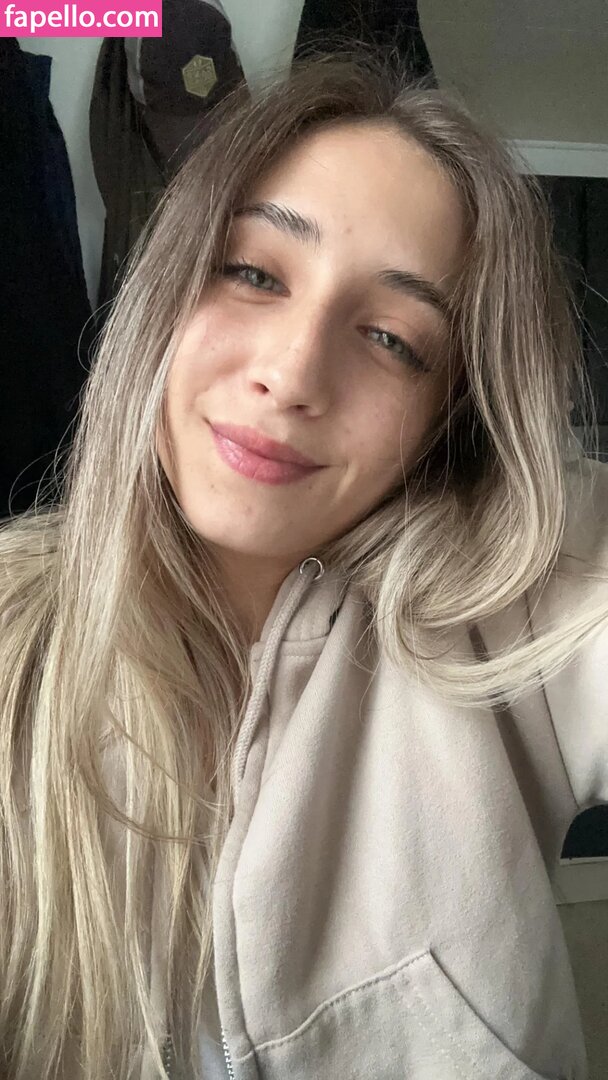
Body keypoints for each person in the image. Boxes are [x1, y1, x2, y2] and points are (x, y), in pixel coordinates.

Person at [1, 48, 607, 1080]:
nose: (290, 374)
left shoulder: (509, 609)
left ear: (443, 423)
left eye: (390, 338)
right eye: (253, 273)